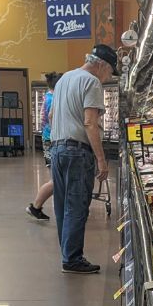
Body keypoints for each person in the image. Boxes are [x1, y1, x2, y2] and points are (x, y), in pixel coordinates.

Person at [48, 44, 116, 274]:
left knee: (61, 205)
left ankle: (67, 253)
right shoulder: (92, 82)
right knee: (77, 206)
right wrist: (101, 159)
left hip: (57, 149)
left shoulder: (64, 78)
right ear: (102, 65)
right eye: (109, 73)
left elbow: (51, 115)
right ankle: (72, 259)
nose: (108, 78)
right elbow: (89, 122)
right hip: (77, 151)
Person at [26, 71, 62, 221]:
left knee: (57, 178)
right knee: (55, 180)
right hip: (53, 141)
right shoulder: (54, 99)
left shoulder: (48, 97)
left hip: (48, 139)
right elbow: (52, 118)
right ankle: (35, 206)